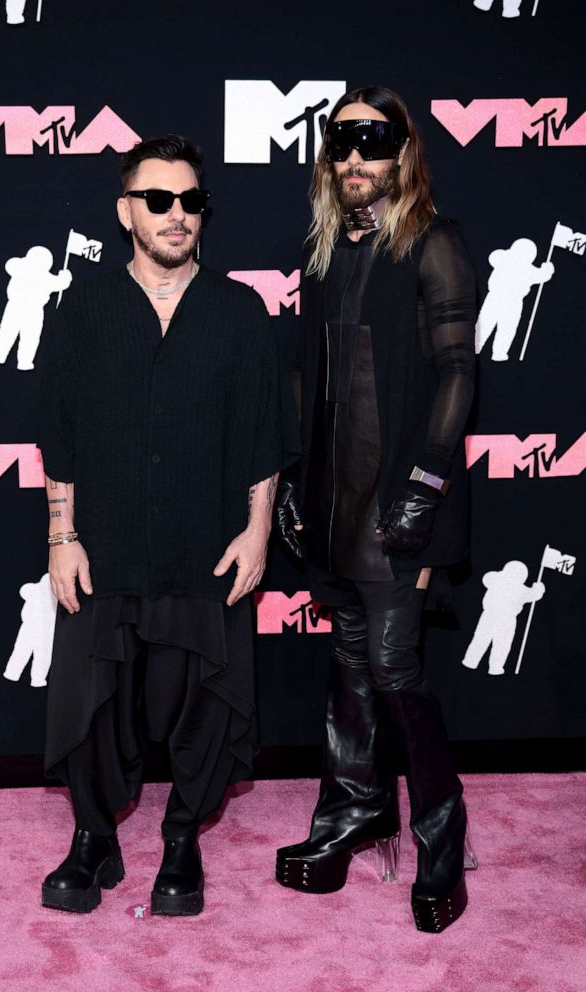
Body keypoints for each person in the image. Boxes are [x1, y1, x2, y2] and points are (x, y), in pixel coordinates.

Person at [37, 134, 299, 916]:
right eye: (158, 200)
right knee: (91, 704)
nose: (176, 215)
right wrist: (61, 535)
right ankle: (93, 838)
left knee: (202, 709)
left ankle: (182, 838)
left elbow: (261, 433)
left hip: (204, 545)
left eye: (190, 200)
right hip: (105, 547)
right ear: (127, 212)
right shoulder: (83, 306)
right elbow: (61, 433)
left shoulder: (237, 311)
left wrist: (257, 532)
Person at [274, 87, 477, 932]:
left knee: (394, 670)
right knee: (350, 667)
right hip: (332, 501)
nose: (354, 156)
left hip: (396, 501)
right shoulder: (323, 252)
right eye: (341, 140)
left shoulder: (433, 244)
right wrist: (293, 479)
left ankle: (441, 834)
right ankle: (355, 809)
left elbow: (459, 373)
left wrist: (424, 495)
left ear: (402, 152)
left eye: (372, 139)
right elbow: (304, 379)